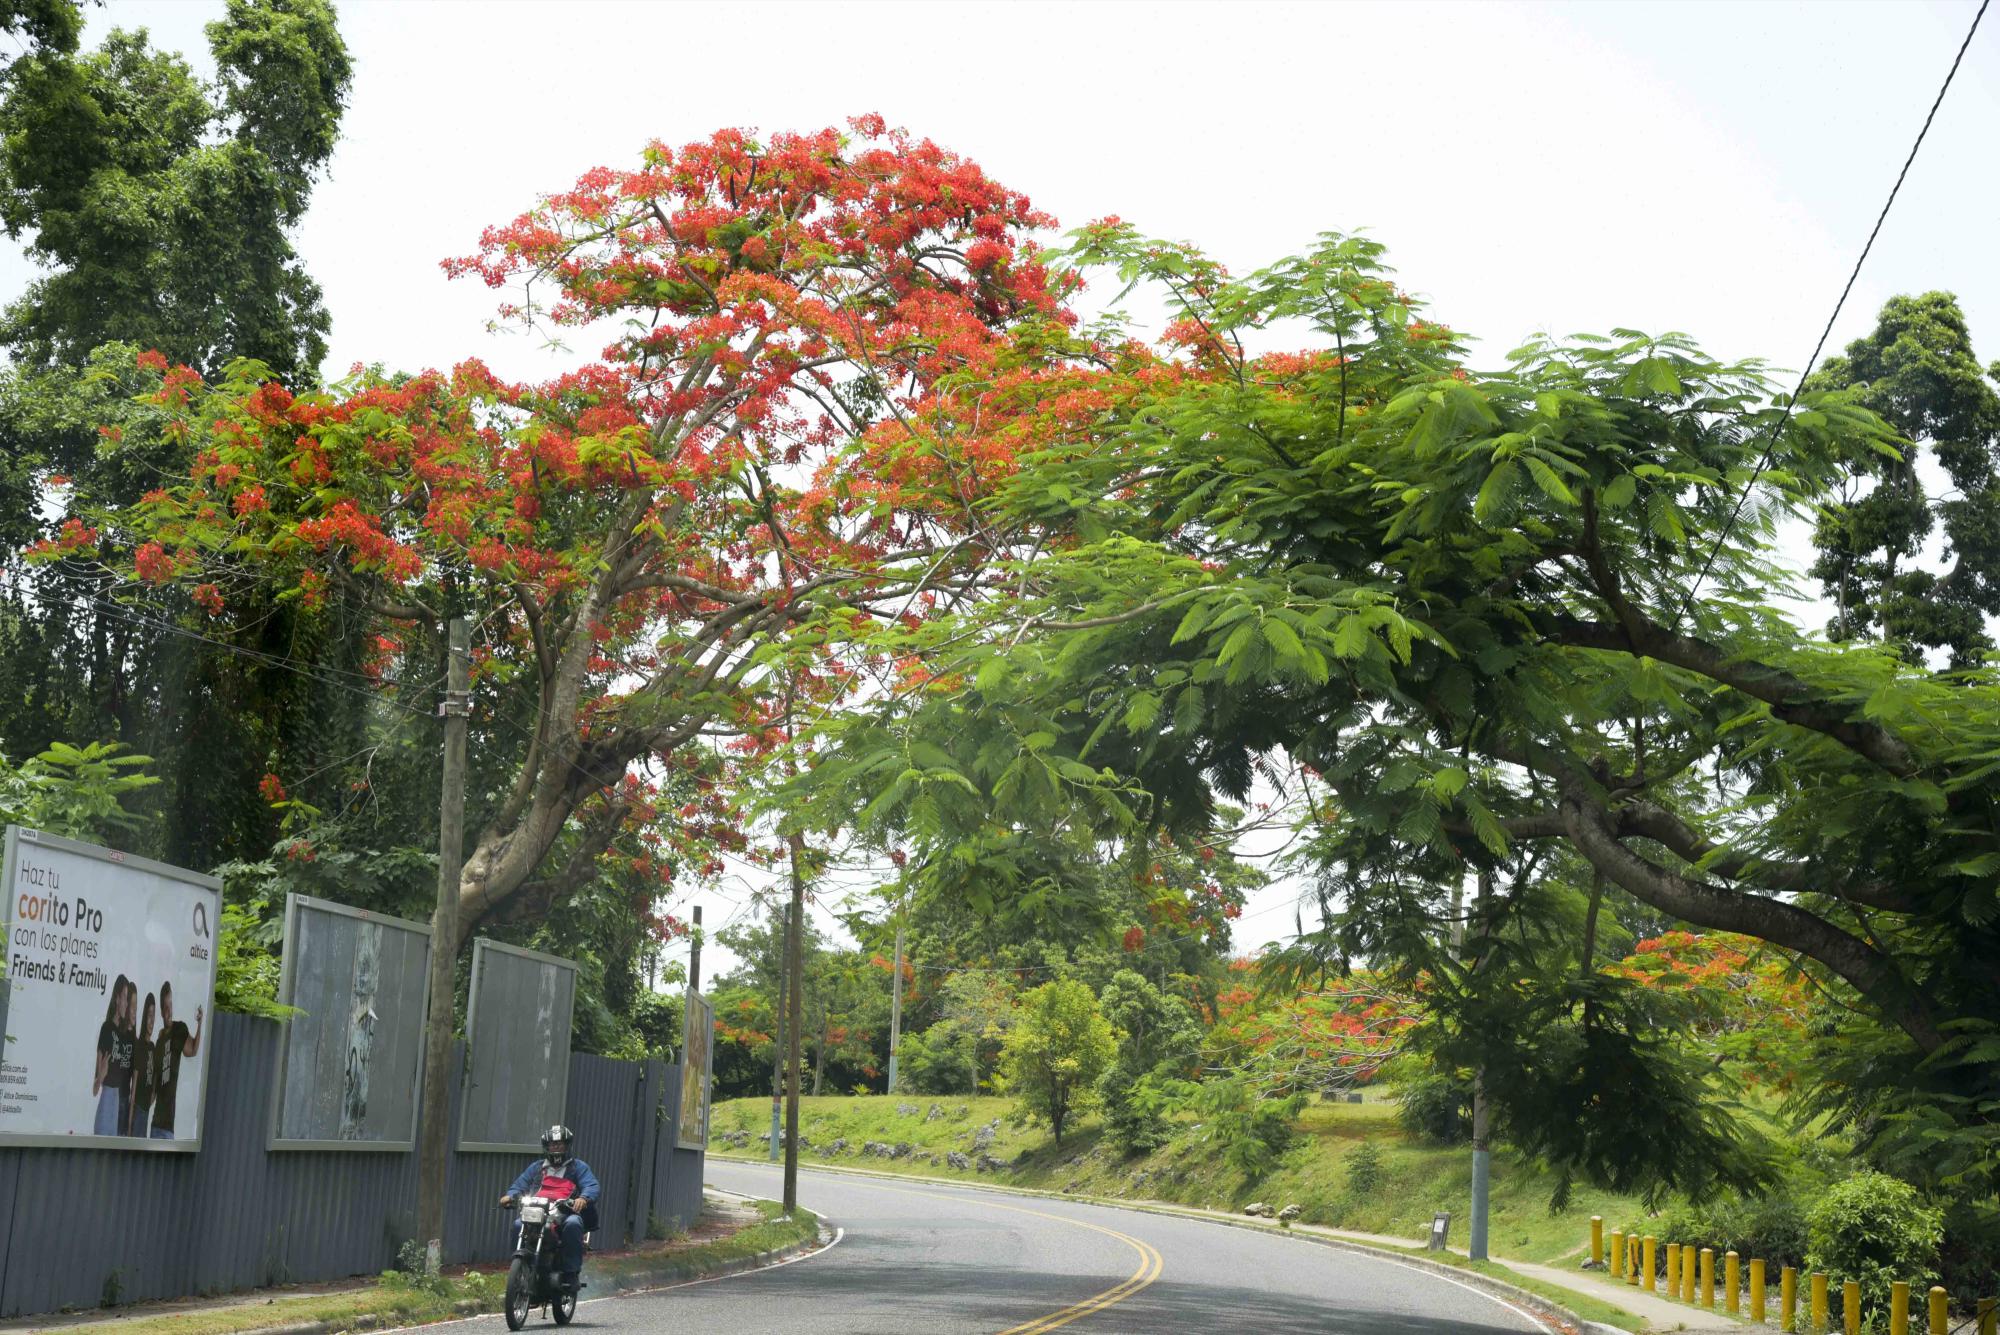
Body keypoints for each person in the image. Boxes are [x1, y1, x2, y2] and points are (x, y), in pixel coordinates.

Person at [499, 1125, 599, 1293]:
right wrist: (510, 1195)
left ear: (567, 1145)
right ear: (546, 1147)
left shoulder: (578, 1167)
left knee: (574, 1224)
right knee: (518, 1224)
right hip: (538, 1211)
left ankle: (570, 1273)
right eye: (552, 1144)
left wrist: (583, 1198)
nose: (556, 1147)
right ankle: (519, 1269)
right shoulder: (537, 1167)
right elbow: (520, 1184)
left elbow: (592, 1185)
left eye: (559, 1144)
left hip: (565, 1213)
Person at [149, 980, 203, 1139]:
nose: (169, 1011)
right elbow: (154, 1084)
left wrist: (200, 1024)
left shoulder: (179, 1029)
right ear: (161, 1010)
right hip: (155, 1124)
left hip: (168, 1126)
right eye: (165, 1007)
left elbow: (192, 1050)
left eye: (170, 1005)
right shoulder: (158, 1041)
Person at [92, 976, 134, 1136]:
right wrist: (101, 1075)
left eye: (128, 999)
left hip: (118, 1102)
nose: (126, 1003)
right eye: (124, 997)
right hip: (106, 1098)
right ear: (117, 999)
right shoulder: (106, 1028)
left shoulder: (125, 1034)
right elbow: (95, 1090)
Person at [130, 992, 158, 1137]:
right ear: (144, 1017)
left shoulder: (153, 1048)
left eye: (154, 1015)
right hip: (138, 1110)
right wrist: (129, 1124)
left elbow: (154, 1077)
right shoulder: (140, 1045)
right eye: (149, 1015)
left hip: (146, 1111)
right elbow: (133, 1088)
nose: (152, 1020)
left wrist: (153, 1095)